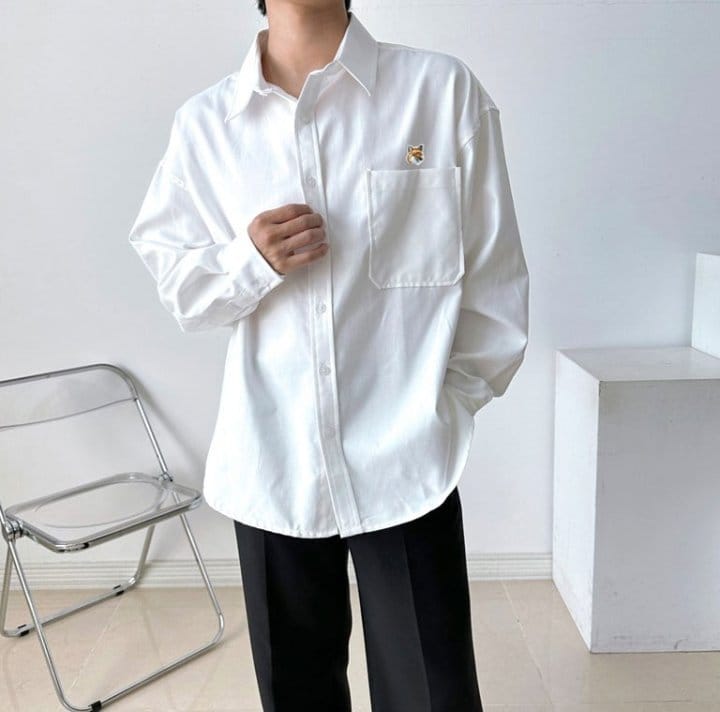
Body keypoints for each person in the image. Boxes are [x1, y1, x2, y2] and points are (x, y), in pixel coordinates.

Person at [128, 1, 530, 710]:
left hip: (409, 460)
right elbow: (182, 292)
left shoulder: (440, 92)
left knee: (432, 694)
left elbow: (493, 286)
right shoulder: (207, 125)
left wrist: (444, 409)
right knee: (297, 695)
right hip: (270, 463)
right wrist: (249, 262)